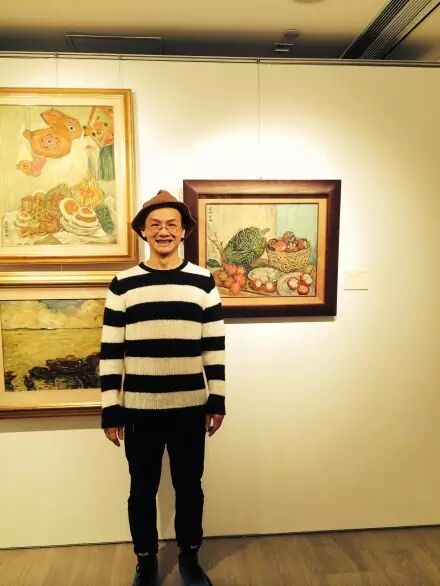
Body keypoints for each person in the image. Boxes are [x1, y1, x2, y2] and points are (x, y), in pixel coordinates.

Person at [100, 190, 226, 586]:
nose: (164, 231)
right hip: (139, 410)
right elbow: (110, 351)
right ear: (143, 231)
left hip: (190, 407)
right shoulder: (123, 285)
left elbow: (214, 346)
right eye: (155, 224)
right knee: (141, 490)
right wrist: (110, 409)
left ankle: (189, 558)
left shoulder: (203, 281)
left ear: (184, 230)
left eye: (172, 224)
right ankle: (146, 561)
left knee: (190, 488)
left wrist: (217, 400)